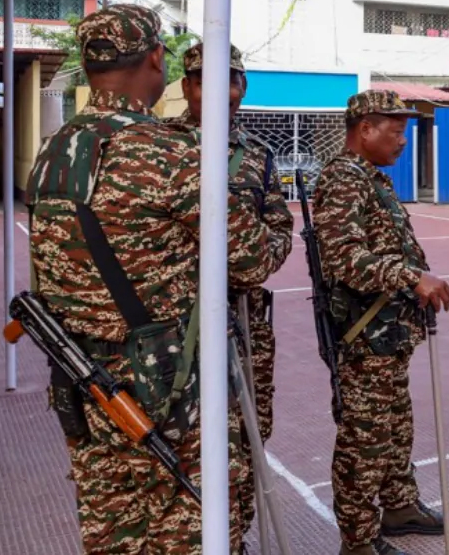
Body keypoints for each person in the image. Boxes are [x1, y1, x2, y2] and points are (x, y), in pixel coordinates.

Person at [24, 5, 274, 554]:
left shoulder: (51, 152)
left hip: (84, 381)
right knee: (192, 528)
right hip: (168, 386)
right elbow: (251, 262)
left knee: (113, 531)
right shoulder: (173, 152)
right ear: (157, 59)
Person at [311, 90, 449, 555]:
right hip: (364, 338)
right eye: (395, 132)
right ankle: (357, 541)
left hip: (387, 335)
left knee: (395, 425)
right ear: (364, 130)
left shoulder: (369, 177)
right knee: (365, 440)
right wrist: (412, 276)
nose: (401, 142)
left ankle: (398, 507)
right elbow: (344, 260)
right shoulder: (344, 180)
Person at [168, 42, 295, 547]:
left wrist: (252, 253)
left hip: (245, 320)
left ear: (242, 88)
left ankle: (234, 535)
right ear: (186, 87)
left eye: (232, 80)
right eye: (204, 80)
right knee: (190, 432)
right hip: (177, 324)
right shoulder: (162, 146)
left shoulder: (258, 155)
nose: (221, 90)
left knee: (249, 429)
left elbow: (280, 225)